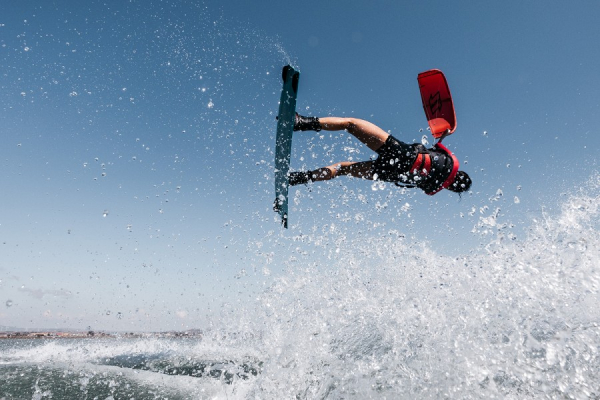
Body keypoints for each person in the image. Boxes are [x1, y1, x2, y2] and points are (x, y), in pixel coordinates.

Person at [289, 114, 472, 195]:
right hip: (390, 174)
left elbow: (437, 148)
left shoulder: (451, 161)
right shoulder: (435, 188)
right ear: (452, 187)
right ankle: (300, 178)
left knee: (350, 124)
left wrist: (444, 135)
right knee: (342, 169)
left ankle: (302, 122)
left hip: (402, 154)